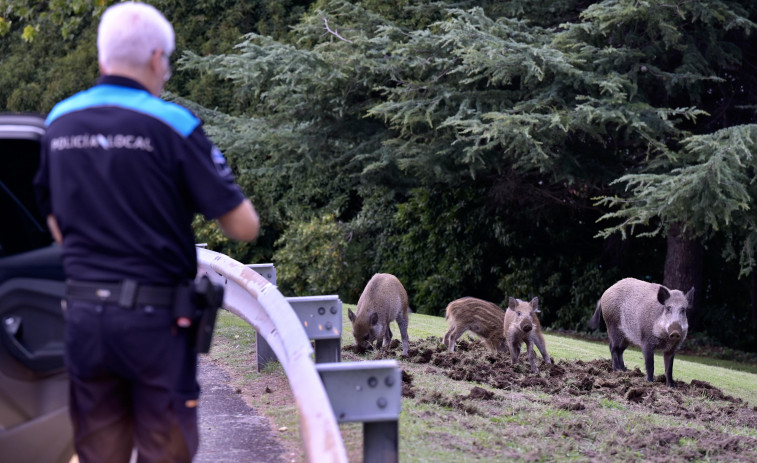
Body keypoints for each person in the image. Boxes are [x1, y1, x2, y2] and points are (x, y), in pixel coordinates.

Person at [33, 2, 260, 462]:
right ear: (158, 59)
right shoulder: (173, 124)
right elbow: (242, 226)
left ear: (102, 59)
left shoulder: (58, 122)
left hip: (83, 320)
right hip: (155, 324)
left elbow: (54, 221)